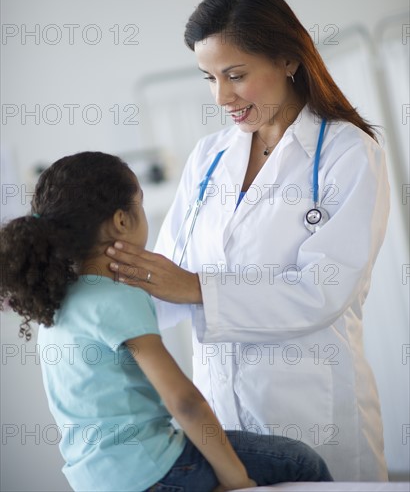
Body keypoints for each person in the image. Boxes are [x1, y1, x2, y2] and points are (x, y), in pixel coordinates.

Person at [105, 0, 390, 482]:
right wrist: (82, 289)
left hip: (311, 410)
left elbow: (323, 290)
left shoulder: (348, 153)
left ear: (287, 60)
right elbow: (164, 276)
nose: (221, 96)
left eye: (235, 75)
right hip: (221, 414)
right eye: (208, 78)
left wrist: (196, 288)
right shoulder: (209, 157)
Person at [0, 151, 332, 492]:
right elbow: (185, 402)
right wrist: (236, 479)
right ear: (121, 222)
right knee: (301, 462)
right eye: (139, 203)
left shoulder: (56, 304)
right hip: (155, 469)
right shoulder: (119, 296)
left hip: (96, 481)